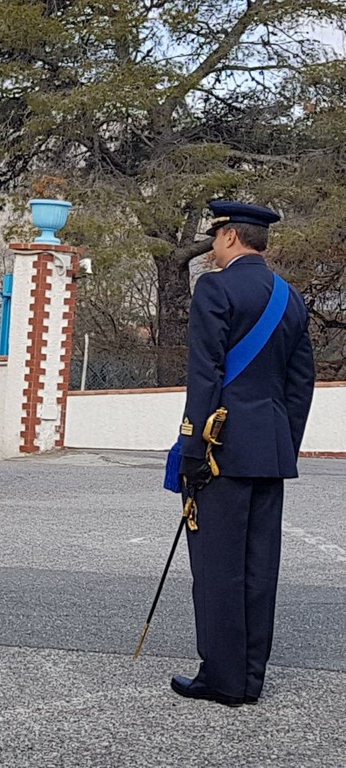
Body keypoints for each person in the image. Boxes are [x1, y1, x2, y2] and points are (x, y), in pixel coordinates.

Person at [170, 201, 314, 708]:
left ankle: (223, 679)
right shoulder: (290, 297)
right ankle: (251, 676)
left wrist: (193, 447)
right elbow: (300, 384)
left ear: (230, 236)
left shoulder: (216, 288)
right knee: (258, 570)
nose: (212, 247)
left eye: (215, 237)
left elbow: (205, 374)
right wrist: (281, 443)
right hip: (269, 450)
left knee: (218, 568)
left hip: (221, 451)